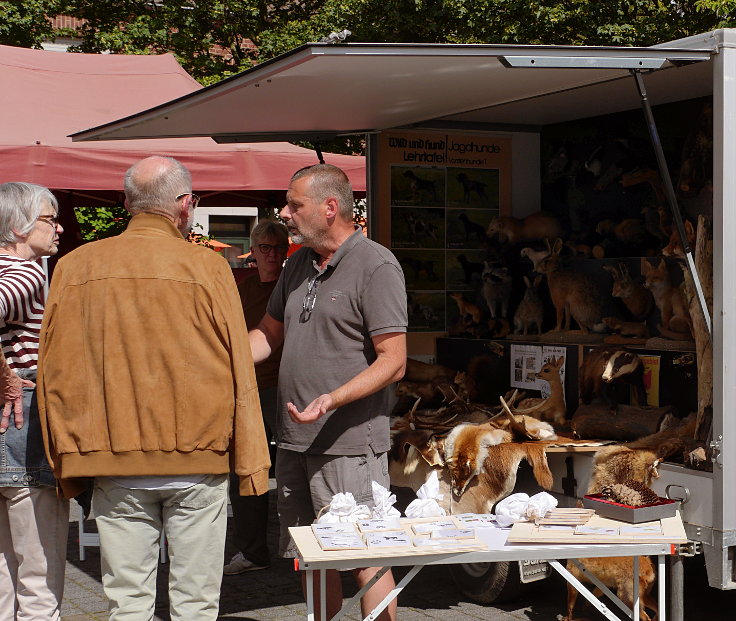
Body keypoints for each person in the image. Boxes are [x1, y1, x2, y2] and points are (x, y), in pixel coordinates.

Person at [38, 156, 270, 621]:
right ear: (186, 206)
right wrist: (250, 458)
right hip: (198, 454)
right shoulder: (210, 269)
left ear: (126, 203)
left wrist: (68, 456)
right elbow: (239, 369)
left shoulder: (76, 266)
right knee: (197, 604)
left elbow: (55, 370)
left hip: (113, 455)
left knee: (127, 604)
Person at [249, 164, 407, 620]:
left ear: (330, 207)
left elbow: (393, 361)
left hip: (349, 446)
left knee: (364, 557)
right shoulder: (298, 262)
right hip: (294, 441)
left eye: (294, 205)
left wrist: (332, 398)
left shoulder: (376, 264)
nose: (285, 213)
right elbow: (268, 335)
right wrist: (217, 360)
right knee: (311, 557)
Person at [0, 182, 69, 621]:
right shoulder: (27, 273)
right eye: (48, 219)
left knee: (5, 570)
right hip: (25, 420)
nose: (59, 228)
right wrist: (6, 375)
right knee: (39, 574)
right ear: (19, 226)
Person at [224, 219, 289, 575]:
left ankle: (303, 546)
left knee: (292, 471)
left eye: (279, 248)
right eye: (266, 247)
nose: (273, 255)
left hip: (288, 389)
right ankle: (251, 551)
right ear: (254, 249)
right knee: (247, 470)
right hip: (250, 389)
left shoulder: (292, 286)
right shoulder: (243, 289)